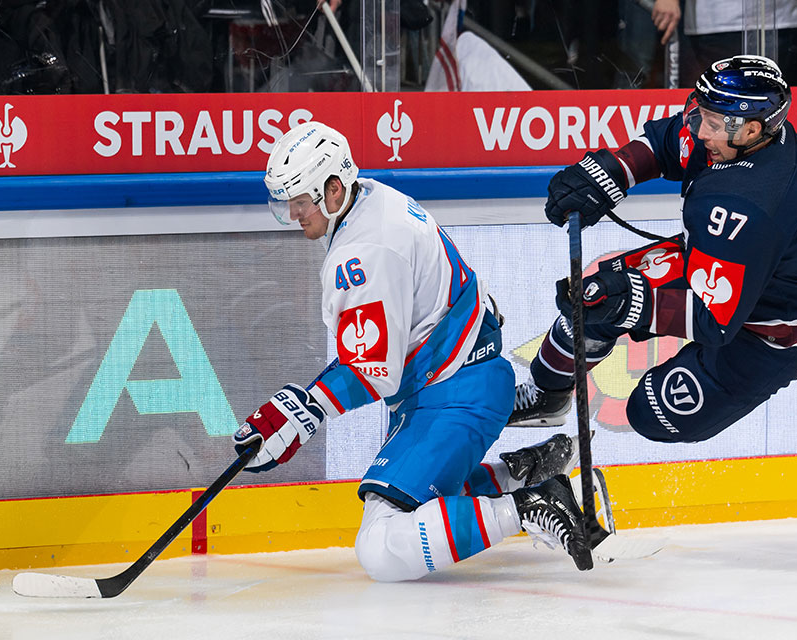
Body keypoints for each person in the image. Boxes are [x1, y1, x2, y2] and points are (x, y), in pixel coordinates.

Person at [232, 121, 614, 581]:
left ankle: (531, 504)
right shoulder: (369, 196)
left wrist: (304, 409)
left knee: (382, 547)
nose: (294, 214)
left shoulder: (362, 254)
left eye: (300, 201)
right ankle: (521, 472)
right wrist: (301, 406)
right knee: (425, 508)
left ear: (333, 188)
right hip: (458, 378)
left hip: (453, 391)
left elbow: (374, 372)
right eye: (285, 204)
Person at [510, 56, 797, 450]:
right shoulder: (745, 139)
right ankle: (546, 395)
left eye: (713, 123)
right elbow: (667, 141)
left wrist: (636, 304)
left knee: (651, 411)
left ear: (751, 129)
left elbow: (715, 323)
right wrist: (614, 170)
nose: (699, 129)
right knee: (595, 296)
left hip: (785, 325)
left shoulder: (745, 204)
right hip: (750, 261)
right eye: (701, 112)